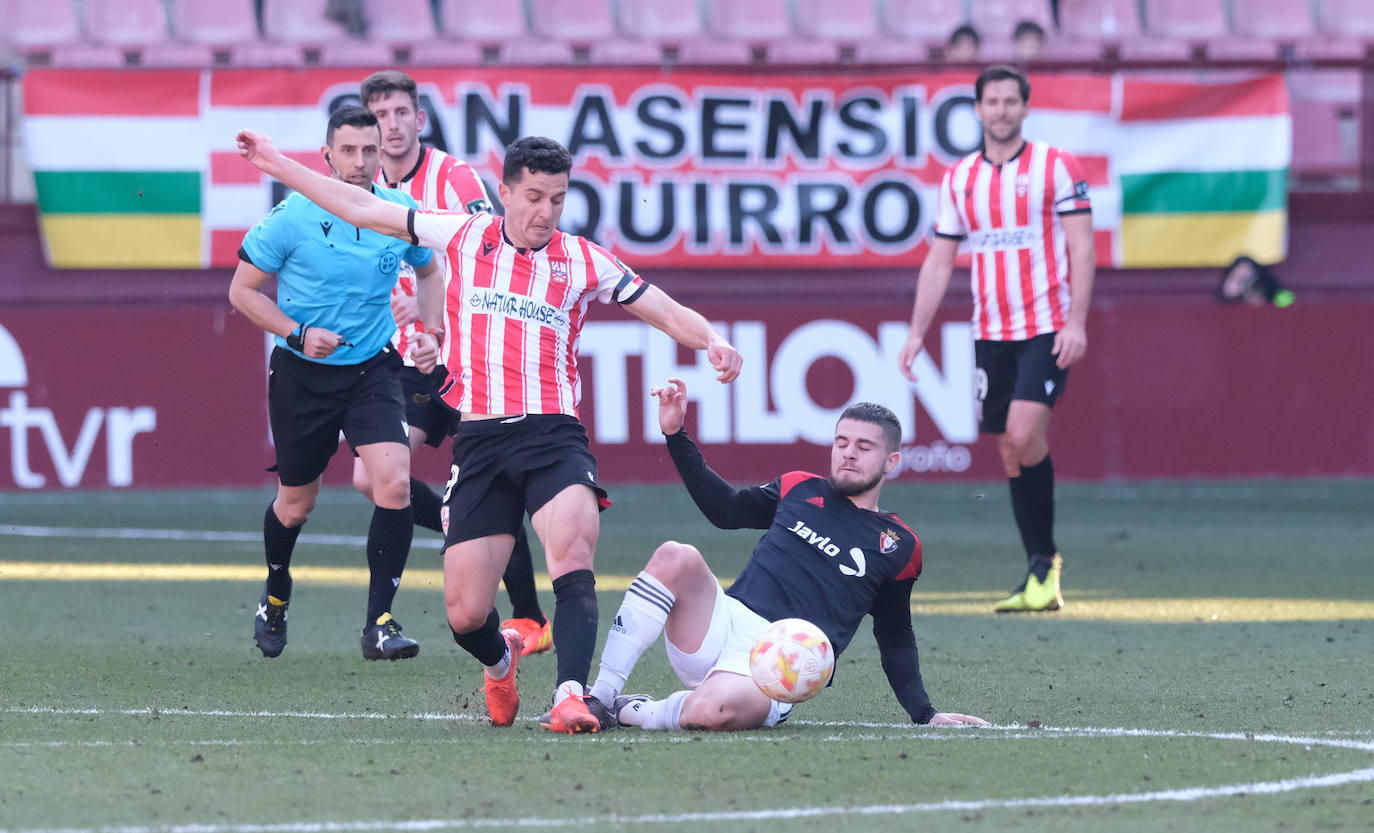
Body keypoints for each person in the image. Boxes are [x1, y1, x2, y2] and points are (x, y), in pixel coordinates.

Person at [235, 127, 743, 733]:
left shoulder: (583, 260)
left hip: (555, 434)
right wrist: (273, 162)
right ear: (503, 192)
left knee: (573, 554)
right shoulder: (464, 233)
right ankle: (501, 662)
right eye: (533, 196)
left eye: (557, 198)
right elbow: (361, 205)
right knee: (465, 613)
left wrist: (711, 338)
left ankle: (571, 696)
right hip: (479, 441)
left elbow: (661, 307)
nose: (545, 211)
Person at [582, 379, 989, 732]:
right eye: (841, 442)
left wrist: (925, 713)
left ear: (891, 461)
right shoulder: (799, 487)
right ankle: (600, 697)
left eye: (864, 447)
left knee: (710, 712)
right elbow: (724, 511)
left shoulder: (900, 545)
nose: (848, 453)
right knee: (676, 555)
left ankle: (636, 710)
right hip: (720, 622)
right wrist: (675, 434)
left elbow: (895, 634)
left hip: (781, 665)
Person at [228, 105, 442, 660]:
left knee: (393, 484)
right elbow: (242, 292)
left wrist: (430, 329)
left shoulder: (398, 211)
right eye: (347, 150)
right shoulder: (291, 217)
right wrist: (296, 333)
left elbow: (430, 268)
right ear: (327, 156)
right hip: (303, 376)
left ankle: (381, 623)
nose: (360, 161)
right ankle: (276, 593)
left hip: (372, 369)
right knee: (297, 504)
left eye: (370, 150)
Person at [355, 69, 552, 657]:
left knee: (478, 475)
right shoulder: (365, 188)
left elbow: (495, 246)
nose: (391, 125)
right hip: (402, 356)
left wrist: (434, 302)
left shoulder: (453, 176)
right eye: (379, 115)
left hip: (458, 353)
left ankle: (529, 617)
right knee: (373, 478)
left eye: (400, 113)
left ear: (420, 119)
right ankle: (468, 531)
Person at [898, 64, 1095, 613]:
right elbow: (940, 261)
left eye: (1012, 101)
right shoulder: (960, 179)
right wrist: (917, 332)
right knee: (1010, 448)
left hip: (1048, 324)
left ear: (1026, 108)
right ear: (979, 109)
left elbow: (1082, 247)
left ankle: (1045, 565)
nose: (1002, 110)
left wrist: (1076, 322)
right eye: (993, 101)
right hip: (991, 331)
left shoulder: (1057, 166)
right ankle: (1040, 571)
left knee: (1023, 430)